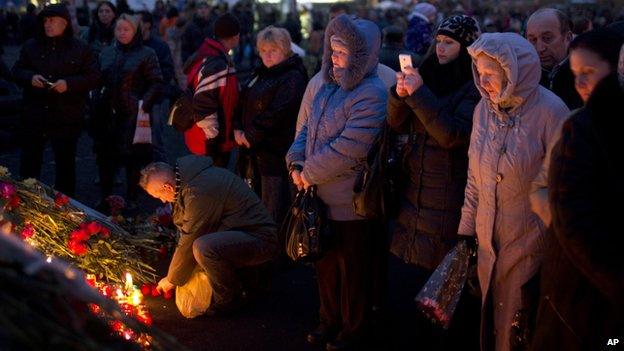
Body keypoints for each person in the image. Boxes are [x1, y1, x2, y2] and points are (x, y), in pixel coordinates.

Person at [459, 32, 570, 351]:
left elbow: (559, 190)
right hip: (486, 244)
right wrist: (467, 232)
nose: (483, 81)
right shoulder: (483, 109)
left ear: (513, 72)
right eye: (479, 73)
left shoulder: (551, 112)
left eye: (490, 74)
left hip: (529, 249)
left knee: (518, 332)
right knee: (488, 326)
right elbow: (474, 178)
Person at [286, 14, 388, 350]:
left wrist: (307, 172)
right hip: (319, 196)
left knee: (353, 273)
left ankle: (352, 329)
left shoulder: (371, 93)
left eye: (341, 52)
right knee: (325, 267)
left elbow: (349, 148)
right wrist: (295, 160)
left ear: (360, 55)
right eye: (332, 50)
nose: (333, 57)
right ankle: (328, 321)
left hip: (349, 201)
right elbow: (306, 129)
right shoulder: (328, 84)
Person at [387, 15, 482, 348]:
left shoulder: (473, 86)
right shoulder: (424, 74)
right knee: (407, 290)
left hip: (448, 197)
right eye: (439, 41)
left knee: (439, 297)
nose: (441, 48)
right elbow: (396, 124)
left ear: (467, 47)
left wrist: (418, 95)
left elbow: (452, 135)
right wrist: (399, 95)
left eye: (450, 42)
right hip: (413, 190)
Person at [530, 30, 624, 351]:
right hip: (581, 294)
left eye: (588, 73)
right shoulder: (579, 126)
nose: (580, 84)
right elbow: (567, 213)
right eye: (575, 75)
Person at [141, 156, 277, 315]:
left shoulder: (198, 190)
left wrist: (172, 279)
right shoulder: (189, 182)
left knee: (203, 247)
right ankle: (245, 281)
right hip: (240, 232)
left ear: (167, 187)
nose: (163, 201)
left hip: (259, 238)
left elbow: (191, 235)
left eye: (159, 196)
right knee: (200, 249)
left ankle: (231, 297)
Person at [11, 3, 100, 197]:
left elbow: (93, 77)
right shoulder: (31, 45)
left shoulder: (81, 48)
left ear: (65, 23)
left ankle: (65, 206)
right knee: (29, 163)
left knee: (65, 165)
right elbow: (16, 70)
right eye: (45, 21)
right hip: (35, 115)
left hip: (66, 117)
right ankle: (25, 200)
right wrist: (30, 78)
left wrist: (68, 84)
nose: (47, 25)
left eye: (52, 21)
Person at [233, 26, 307, 228]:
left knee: (272, 209)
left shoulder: (293, 76)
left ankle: (273, 253)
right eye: (263, 50)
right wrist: (238, 128)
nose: (267, 55)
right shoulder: (262, 72)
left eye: (273, 50)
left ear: (285, 49)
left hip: (276, 155)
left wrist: (250, 135)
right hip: (255, 153)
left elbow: (279, 112)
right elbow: (243, 100)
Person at [97, 14, 163, 209]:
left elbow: (157, 81)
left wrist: (143, 104)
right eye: (119, 29)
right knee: (105, 158)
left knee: (133, 159)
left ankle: (132, 198)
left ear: (135, 31)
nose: (122, 33)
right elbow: (99, 78)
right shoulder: (107, 52)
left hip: (133, 114)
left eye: (127, 29)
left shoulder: (146, 53)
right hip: (108, 114)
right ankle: (106, 197)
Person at [182, 13, 240, 167]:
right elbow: (204, 104)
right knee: (213, 187)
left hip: (205, 138)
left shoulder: (210, 54)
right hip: (209, 143)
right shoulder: (216, 63)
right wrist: (213, 140)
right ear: (235, 37)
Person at [526, 8, 583, 110]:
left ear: (568, 38)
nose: (540, 48)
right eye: (533, 40)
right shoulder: (523, 77)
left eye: (547, 38)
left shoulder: (585, 75)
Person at [138, 10, 175, 162]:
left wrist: (154, 85)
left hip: (154, 99)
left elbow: (167, 70)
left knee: (156, 138)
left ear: (147, 24)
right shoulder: (132, 44)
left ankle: (161, 175)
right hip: (136, 98)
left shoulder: (159, 46)